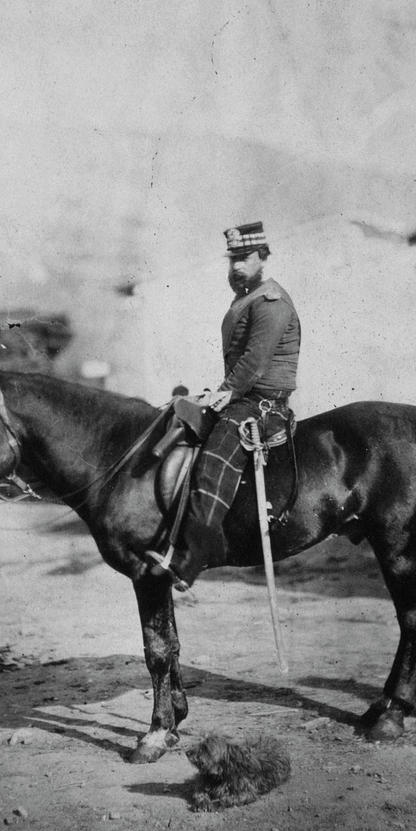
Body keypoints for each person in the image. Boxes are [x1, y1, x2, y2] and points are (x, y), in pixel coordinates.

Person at [148, 221, 301, 588]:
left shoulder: (270, 301)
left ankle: (196, 553)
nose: (236, 266)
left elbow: (255, 360)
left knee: (214, 458)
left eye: (245, 258)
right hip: (244, 395)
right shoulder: (246, 297)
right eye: (232, 258)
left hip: (262, 404)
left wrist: (228, 392)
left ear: (263, 257)